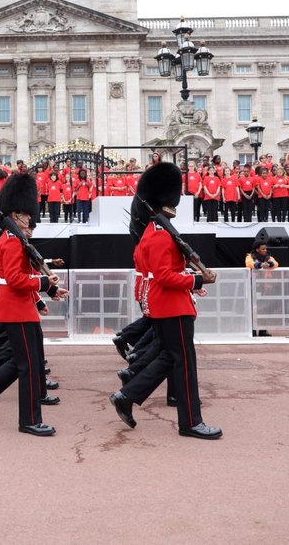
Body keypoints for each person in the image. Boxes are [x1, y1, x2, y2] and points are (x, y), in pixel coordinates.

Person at [109, 162, 222, 440]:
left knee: (171, 358)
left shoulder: (157, 231)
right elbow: (164, 277)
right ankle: (191, 422)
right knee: (184, 364)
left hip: (169, 304)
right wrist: (197, 281)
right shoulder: (159, 235)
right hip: (171, 307)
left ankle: (127, 395)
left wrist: (191, 286)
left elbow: (168, 273)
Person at [0, 172, 68, 436]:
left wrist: (50, 289)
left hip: (21, 307)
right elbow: (15, 279)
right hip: (16, 309)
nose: (30, 220)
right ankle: (29, 420)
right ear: (17, 214)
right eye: (26, 215)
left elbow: (27, 276)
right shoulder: (11, 242)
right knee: (29, 365)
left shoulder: (16, 240)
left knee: (23, 362)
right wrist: (44, 285)